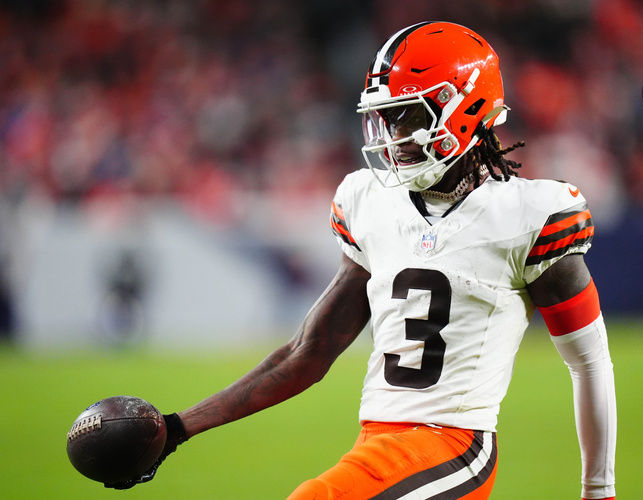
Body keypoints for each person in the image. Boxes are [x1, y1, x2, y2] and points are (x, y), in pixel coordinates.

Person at [108, 22, 616, 499]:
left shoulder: (531, 213)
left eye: (409, 115)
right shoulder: (371, 202)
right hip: (378, 445)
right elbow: (307, 351)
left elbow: (589, 360)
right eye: (387, 116)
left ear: (465, 108)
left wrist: (599, 490)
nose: (393, 135)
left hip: (456, 446)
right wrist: (179, 428)